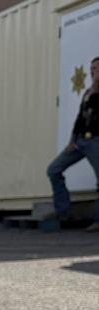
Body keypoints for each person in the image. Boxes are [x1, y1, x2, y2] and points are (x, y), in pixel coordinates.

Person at [46, 55, 99, 231]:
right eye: (91, 69)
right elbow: (80, 118)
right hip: (80, 141)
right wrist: (72, 140)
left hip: (96, 141)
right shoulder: (88, 91)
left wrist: (95, 88)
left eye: (96, 69)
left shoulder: (95, 92)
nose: (93, 72)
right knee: (54, 169)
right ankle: (64, 214)